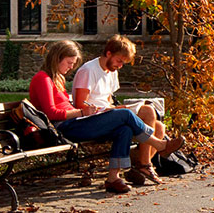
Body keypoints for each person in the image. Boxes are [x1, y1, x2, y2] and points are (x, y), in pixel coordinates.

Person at [29, 40, 183, 195]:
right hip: (63, 127)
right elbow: (51, 113)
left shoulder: (57, 79)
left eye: (73, 64)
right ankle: (159, 145)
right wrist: (82, 112)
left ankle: (113, 178)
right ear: (57, 58)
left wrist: (87, 112)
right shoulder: (43, 79)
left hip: (75, 122)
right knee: (126, 114)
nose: (70, 68)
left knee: (124, 129)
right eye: (69, 63)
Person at [73, 35, 168, 186]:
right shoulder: (89, 70)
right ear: (109, 53)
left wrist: (114, 108)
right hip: (89, 120)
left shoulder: (111, 72)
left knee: (156, 123)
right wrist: (112, 110)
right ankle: (148, 159)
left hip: (107, 115)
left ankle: (141, 165)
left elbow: (108, 100)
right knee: (130, 115)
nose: (120, 65)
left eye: (123, 63)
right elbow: (80, 105)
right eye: (119, 61)